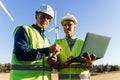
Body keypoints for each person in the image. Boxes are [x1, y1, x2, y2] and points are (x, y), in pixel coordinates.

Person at [10, 4, 61, 80]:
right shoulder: (24, 30)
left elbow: (43, 61)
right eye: (42, 16)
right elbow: (21, 53)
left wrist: (52, 61)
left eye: (48, 18)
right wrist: (48, 50)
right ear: (36, 15)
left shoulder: (47, 40)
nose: (45, 19)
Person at [55, 13, 96, 80]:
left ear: (75, 27)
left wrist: (89, 64)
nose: (67, 27)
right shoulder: (58, 42)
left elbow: (90, 67)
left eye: (69, 25)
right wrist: (63, 64)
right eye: (65, 25)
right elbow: (54, 64)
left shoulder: (83, 42)